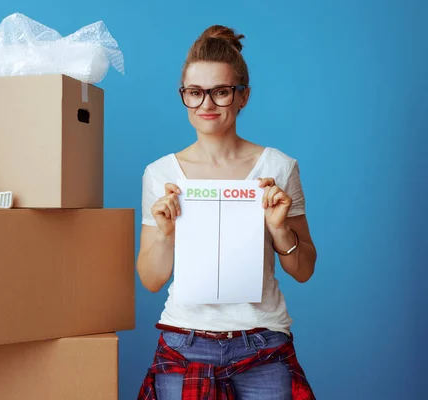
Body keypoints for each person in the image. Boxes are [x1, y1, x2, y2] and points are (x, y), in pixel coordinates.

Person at [136, 25, 318, 400]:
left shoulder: (278, 167)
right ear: (183, 96)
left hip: (262, 341)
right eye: (194, 92)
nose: (207, 104)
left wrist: (280, 229)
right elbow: (152, 280)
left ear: (243, 96)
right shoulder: (161, 173)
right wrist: (166, 232)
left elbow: (304, 270)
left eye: (221, 92)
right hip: (184, 342)